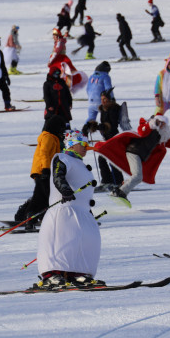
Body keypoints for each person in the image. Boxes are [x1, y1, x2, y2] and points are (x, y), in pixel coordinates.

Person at [34, 130, 103, 290]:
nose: (86, 147)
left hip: (83, 213)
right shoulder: (62, 157)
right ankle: (51, 275)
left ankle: (77, 273)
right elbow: (58, 175)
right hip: (65, 209)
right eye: (83, 144)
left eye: (87, 144)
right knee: (63, 241)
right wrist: (65, 190)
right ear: (72, 144)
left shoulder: (81, 164)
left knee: (89, 242)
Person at [16, 115, 65, 230]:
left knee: (40, 197)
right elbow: (44, 154)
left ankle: (33, 219)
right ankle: (35, 219)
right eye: (61, 127)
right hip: (43, 171)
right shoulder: (48, 137)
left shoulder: (53, 137)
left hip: (44, 171)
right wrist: (46, 170)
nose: (62, 130)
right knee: (47, 196)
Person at [109, 114, 169, 200]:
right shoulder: (148, 126)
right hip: (133, 151)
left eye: (163, 123)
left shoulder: (158, 134)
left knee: (138, 177)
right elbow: (141, 131)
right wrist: (150, 124)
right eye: (160, 122)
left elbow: (169, 142)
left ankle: (118, 189)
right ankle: (121, 192)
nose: (162, 124)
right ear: (155, 121)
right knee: (137, 176)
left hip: (138, 154)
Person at [83, 88, 131, 192]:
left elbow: (112, 125)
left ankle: (117, 182)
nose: (103, 101)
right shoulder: (103, 110)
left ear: (109, 100)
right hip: (107, 138)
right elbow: (103, 124)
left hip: (113, 138)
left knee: (112, 159)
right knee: (102, 158)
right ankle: (107, 181)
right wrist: (93, 126)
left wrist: (102, 126)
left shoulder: (113, 109)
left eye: (105, 99)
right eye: (102, 99)